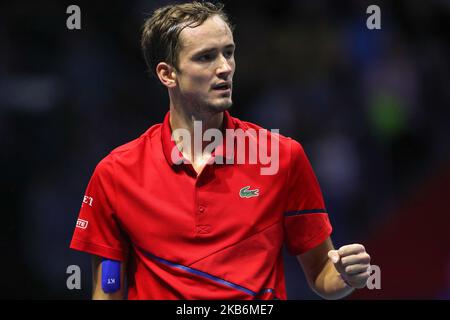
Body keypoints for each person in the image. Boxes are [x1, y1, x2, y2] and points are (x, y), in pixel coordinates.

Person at [70, 1, 371, 300]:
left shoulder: (281, 157)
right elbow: (108, 290)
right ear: (167, 74)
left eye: (228, 52)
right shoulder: (115, 174)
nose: (225, 68)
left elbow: (321, 272)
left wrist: (344, 275)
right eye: (205, 57)